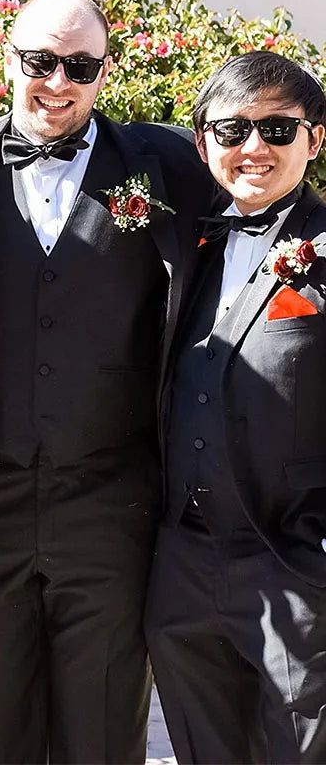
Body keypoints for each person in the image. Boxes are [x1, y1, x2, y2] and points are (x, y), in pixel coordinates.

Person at [0, 0, 215, 762]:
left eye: (80, 67)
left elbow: (263, 171)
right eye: (40, 61)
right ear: (7, 59)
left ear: (105, 72)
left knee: (103, 737)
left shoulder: (167, 165)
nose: (58, 82)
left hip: (112, 505)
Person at [145, 51, 326, 763]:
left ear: (315, 139)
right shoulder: (179, 247)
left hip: (295, 567)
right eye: (233, 130)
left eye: (278, 129)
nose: (254, 147)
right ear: (203, 145)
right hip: (183, 567)